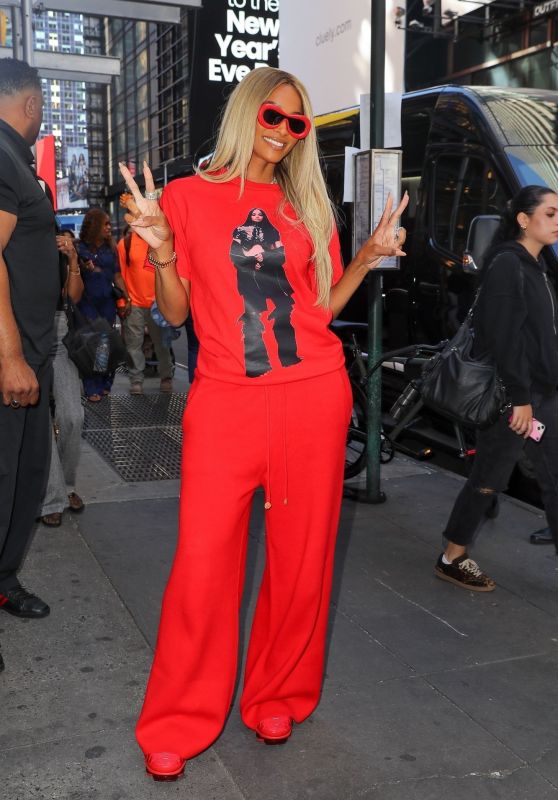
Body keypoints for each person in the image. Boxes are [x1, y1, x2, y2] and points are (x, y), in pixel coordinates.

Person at [120, 66, 407, 781]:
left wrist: (365, 260)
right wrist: (159, 245)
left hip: (316, 393)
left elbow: (319, 310)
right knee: (202, 565)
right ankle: (178, 720)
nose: (283, 133)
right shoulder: (186, 198)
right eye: (274, 116)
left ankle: (277, 693)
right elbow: (179, 314)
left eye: (298, 124)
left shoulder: (305, 205)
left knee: (302, 559)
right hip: (227, 401)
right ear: (249, 112)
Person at [436, 185, 558, 592]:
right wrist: (520, 399)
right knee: (489, 476)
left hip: (543, 392)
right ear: (524, 220)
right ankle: (452, 555)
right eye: (551, 213)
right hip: (515, 396)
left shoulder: (536, 265)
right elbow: (504, 337)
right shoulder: (509, 264)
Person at [0, 58, 61, 628]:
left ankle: (4, 581)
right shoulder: (1, 155)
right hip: (12, 361)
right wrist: (11, 356)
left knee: (26, 478)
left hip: (33, 355)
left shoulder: (15, 161)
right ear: (32, 104)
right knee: (4, 483)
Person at [39, 230, 85, 527]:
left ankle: (66, 485)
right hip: (26, 333)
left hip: (59, 331)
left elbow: (75, 296)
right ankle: (52, 497)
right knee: (39, 421)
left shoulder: (57, 246)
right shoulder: (14, 243)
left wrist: (72, 259)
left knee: (73, 416)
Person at [230, 206, 299, 376]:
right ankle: (257, 365)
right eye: (253, 213)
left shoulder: (272, 231)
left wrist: (266, 256)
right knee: (252, 318)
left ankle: (289, 358)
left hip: (273, 276)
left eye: (260, 213)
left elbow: (281, 254)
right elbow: (234, 254)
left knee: (284, 313)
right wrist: (252, 255)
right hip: (249, 277)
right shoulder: (240, 231)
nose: (257, 216)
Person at [77, 208, 131, 402]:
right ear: (94, 226)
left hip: (108, 303)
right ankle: (91, 385)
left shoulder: (111, 248)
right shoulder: (80, 247)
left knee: (105, 345)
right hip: (87, 303)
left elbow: (117, 275)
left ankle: (105, 382)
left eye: (109, 223)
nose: (109, 227)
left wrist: (126, 297)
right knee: (91, 345)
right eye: (105, 223)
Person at [117, 224, 173, 394]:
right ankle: (136, 380)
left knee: (162, 344)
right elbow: (120, 274)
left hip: (158, 303)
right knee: (134, 345)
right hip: (134, 303)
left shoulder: (159, 241)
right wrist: (124, 300)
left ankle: (166, 377)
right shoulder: (124, 244)